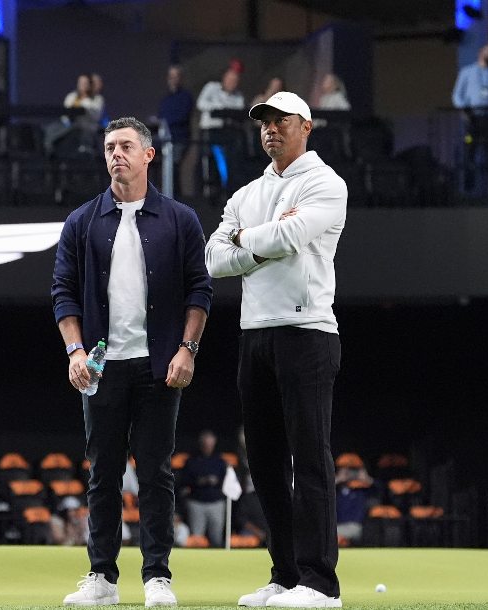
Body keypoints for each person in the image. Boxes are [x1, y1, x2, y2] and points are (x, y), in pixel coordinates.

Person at [52, 116, 213, 607]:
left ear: (149, 154)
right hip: (101, 367)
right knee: (101, 473)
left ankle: (157, 577)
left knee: (156, 474)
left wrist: (187, 350)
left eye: (124, 146)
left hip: (158, 365)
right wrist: (75, 351)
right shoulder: (82, 220)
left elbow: (200, 291)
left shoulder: (180, 219)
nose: (115, 154)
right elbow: (63, 293)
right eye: (108, 147)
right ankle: (101, 576)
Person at [204, 91, 346, 608]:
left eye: (280, 120)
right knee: (264, 462)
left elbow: (292, 236)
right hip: (254, 332)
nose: (270, 129)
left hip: (308, 332)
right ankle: (285, 575)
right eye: (263, 121)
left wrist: (245, 240)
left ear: (306, 126)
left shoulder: (327, 183)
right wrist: (257, 240)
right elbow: (213, 259)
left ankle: (319, 584)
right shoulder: (245, 193)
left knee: (310, 459)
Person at [452, 43, 488, 197]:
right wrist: (465, 108)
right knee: (469, 150)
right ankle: (468, 188)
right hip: (472, 119)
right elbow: (456, 95)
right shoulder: (467, 72)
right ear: (481, 52)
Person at [179, 430, 228, 548]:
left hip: (216, 503)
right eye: (205, 444)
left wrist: (217, 481)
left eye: (210, 444)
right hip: (196, 503)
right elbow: (183, 481)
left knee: (216, 537)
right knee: (197, 538)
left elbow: (226, 481)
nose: (208, 446)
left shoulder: (220, 461)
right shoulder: (191, 461)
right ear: (201, 444)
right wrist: (199, 481)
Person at [157, 65, 194, 182]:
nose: (173, 79)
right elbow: (161, 117)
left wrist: (167, 121)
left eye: (176, 76)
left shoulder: (186, 97)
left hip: (179, 139)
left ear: (181, 78)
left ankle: (175, 197)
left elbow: (182, 116)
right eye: (171, 76)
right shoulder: (165, 99)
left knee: (173, 168)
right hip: (165, 139)